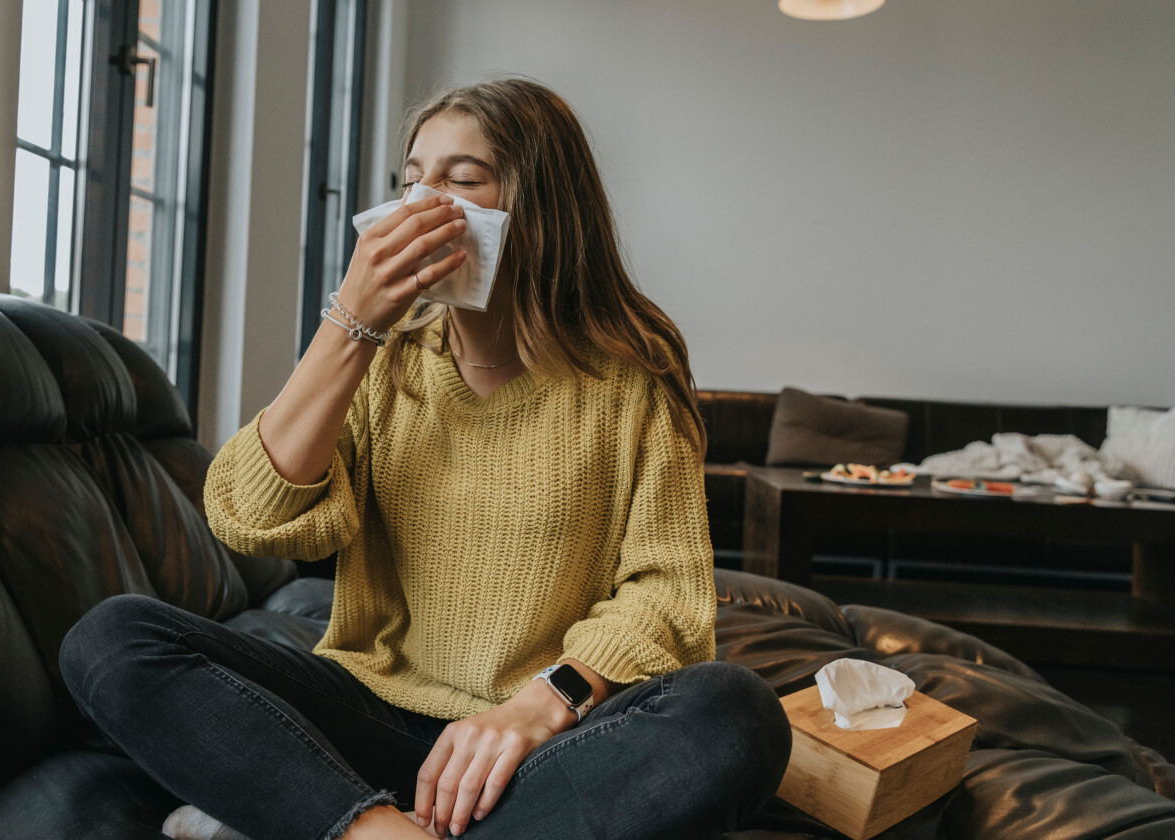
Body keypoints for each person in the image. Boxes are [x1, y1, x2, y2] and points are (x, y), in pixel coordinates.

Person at [59, 77, 791, 840]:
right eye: (410, 181)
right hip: (364, 717)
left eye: (461, 179)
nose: (420, 202)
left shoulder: (630, 371)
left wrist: (539, 707)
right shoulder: (383, 360)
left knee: (735, 713)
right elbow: (249, 519)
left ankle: (310, 816)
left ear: (538, 209)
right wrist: (352, 323)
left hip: (542, 746)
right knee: (111, 640)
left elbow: (667, 595)